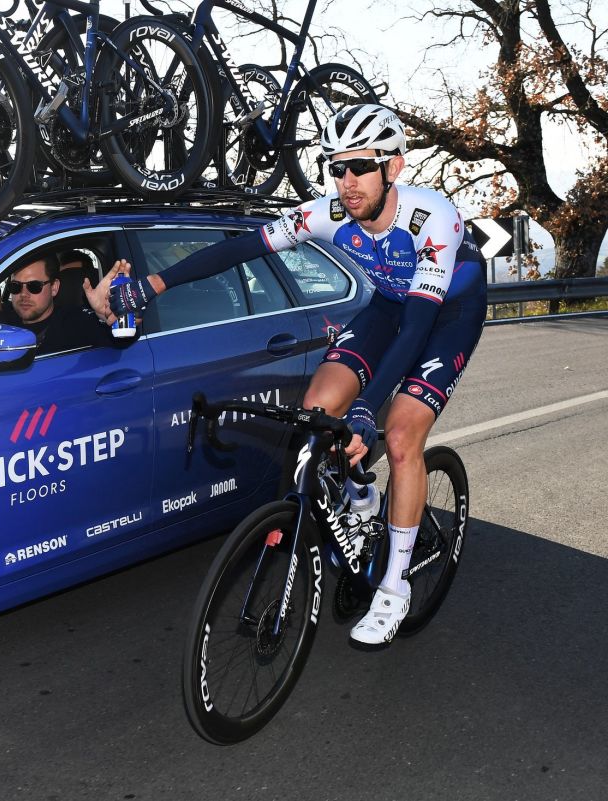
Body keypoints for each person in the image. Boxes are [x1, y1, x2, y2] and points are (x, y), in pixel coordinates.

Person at [110, 104, 487, 646]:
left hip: (447, 315)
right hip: (390, 306)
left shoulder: (432, 218)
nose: (347, 181)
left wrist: (368, 409)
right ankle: (361, 497)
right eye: (336, 167)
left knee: (402, 435)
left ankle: (394, 588)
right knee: (318, 411)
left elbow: (417, 329)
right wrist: (153, 286)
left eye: (361, 166)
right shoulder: (326, 213)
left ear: (394, 167)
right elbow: (240, 250)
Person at [0, 254, 133, 356]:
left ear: (54, 287)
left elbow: (122, 343)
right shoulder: (3, 321)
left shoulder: (75, 322)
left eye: (34, 286)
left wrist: (109, 316)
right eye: (15, 286)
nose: (23, 294)